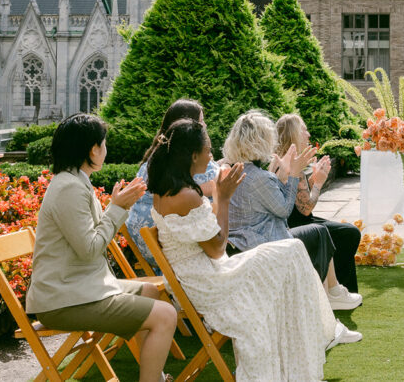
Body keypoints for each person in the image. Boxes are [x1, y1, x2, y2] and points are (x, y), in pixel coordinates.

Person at [149, 118, 360, 382]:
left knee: (291, 252)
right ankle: (317, 337)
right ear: (193, 155)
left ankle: (318, 335)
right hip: (210, 283)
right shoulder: (186, 195)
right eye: (208, 149)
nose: (212, 155)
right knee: (291, 254)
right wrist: (222, 198)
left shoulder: (170, 190)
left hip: (203, 275)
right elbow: (216, 248)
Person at [26, 114, 177, 382]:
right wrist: (117, 208)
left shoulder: (75, 181)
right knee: (166, 315)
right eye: (104, 143)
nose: (106, 149)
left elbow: (89, 239)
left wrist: (117, 206)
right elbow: (89, 248)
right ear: (93, 149)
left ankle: (155, 376)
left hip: (81, 289)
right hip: (64, 299)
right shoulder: (68, 189)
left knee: (152, 292)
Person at [224, 110, 362, 310]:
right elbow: (285, 210)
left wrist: (291, 175)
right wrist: (296, 174)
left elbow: (274, 199)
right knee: (322, 233)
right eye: (304, 130)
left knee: (331, 232)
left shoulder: (239, 170)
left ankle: (334, 292)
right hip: (262, 241)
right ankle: (329, 298)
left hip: (253, 237)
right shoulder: (256, 176)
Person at [126, 98, 219, 267]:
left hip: (144, 244)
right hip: (167, 252)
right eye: (201, 121)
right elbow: (216, 183)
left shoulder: (156, 160)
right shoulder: (189, 174)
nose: (204, 126)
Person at [276, 113, 361, 296]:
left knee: (347, 232)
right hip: (298, 225)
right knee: (349, 234)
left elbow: (300, 198)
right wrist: (320, 182)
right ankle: (337, 290)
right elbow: (306, 209)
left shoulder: (287, 160)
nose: (308, 135)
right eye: (304, 130)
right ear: (293, 135)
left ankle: (337, 286)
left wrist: (314, 179)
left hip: (299, 220)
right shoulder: (291, 165)